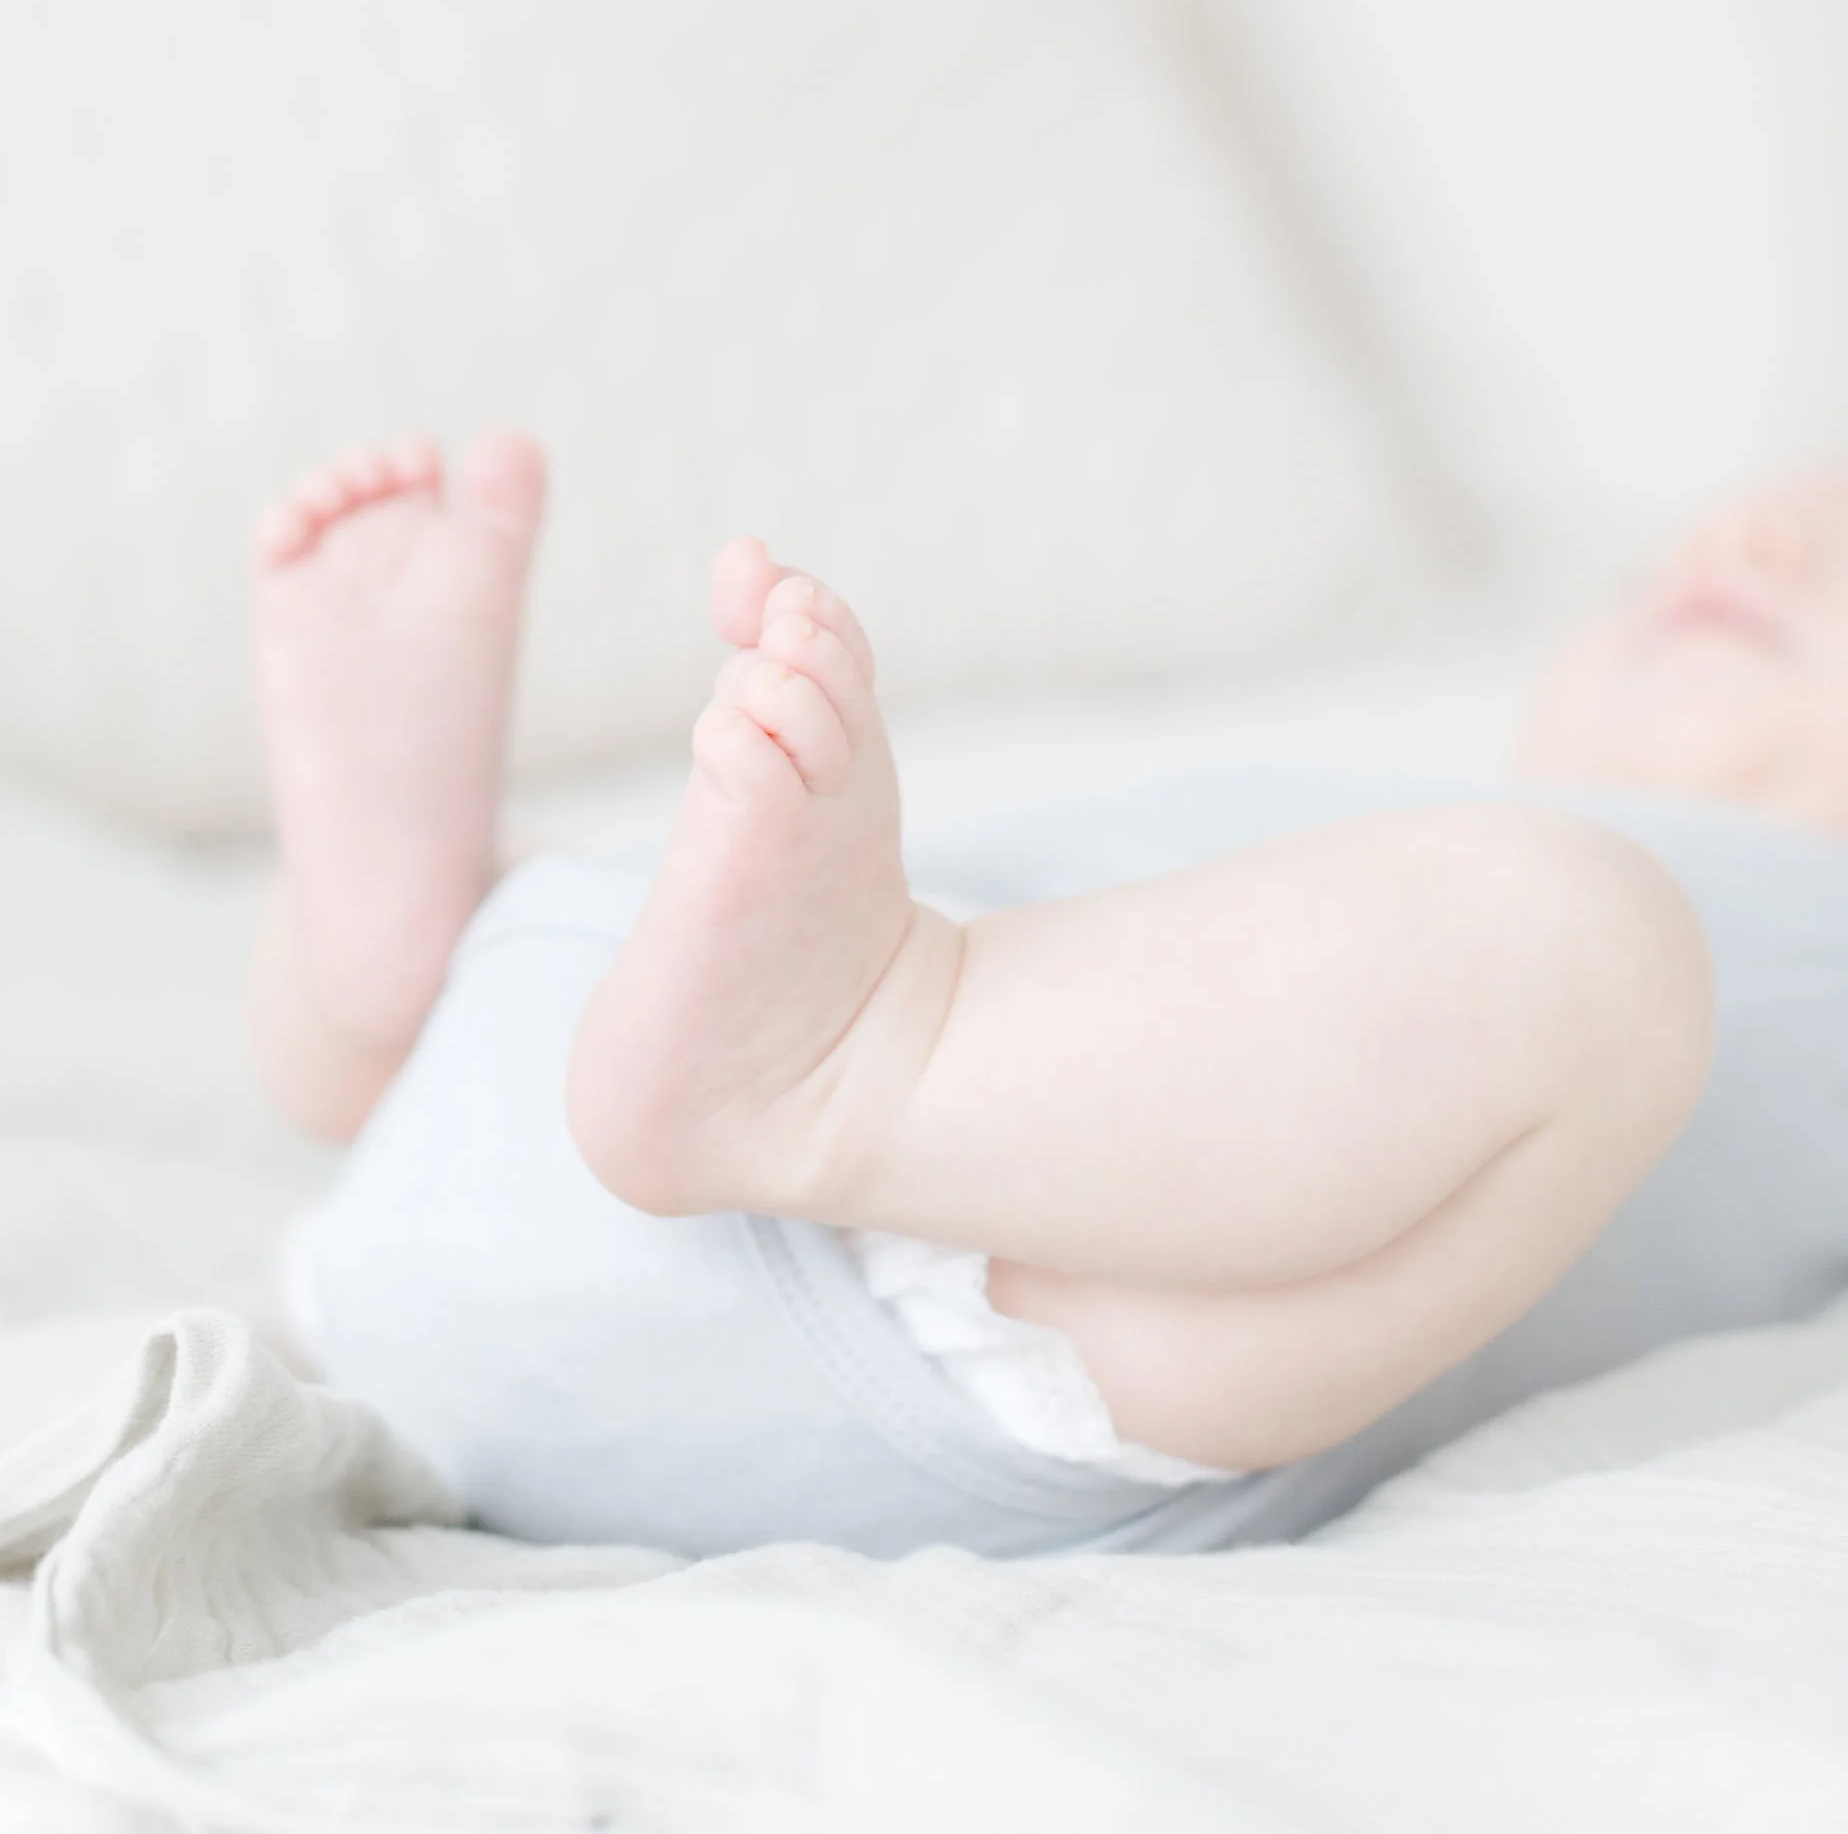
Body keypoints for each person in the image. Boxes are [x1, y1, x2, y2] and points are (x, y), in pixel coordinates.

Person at [245, 440, 1848, 1556]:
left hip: (989, 1331)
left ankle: (455, 982)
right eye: (1729, 531)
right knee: (1544, 934)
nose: (1753, 534)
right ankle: (418, 965)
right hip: (656, 1125)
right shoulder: (1376, 842)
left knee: (1581, 939)